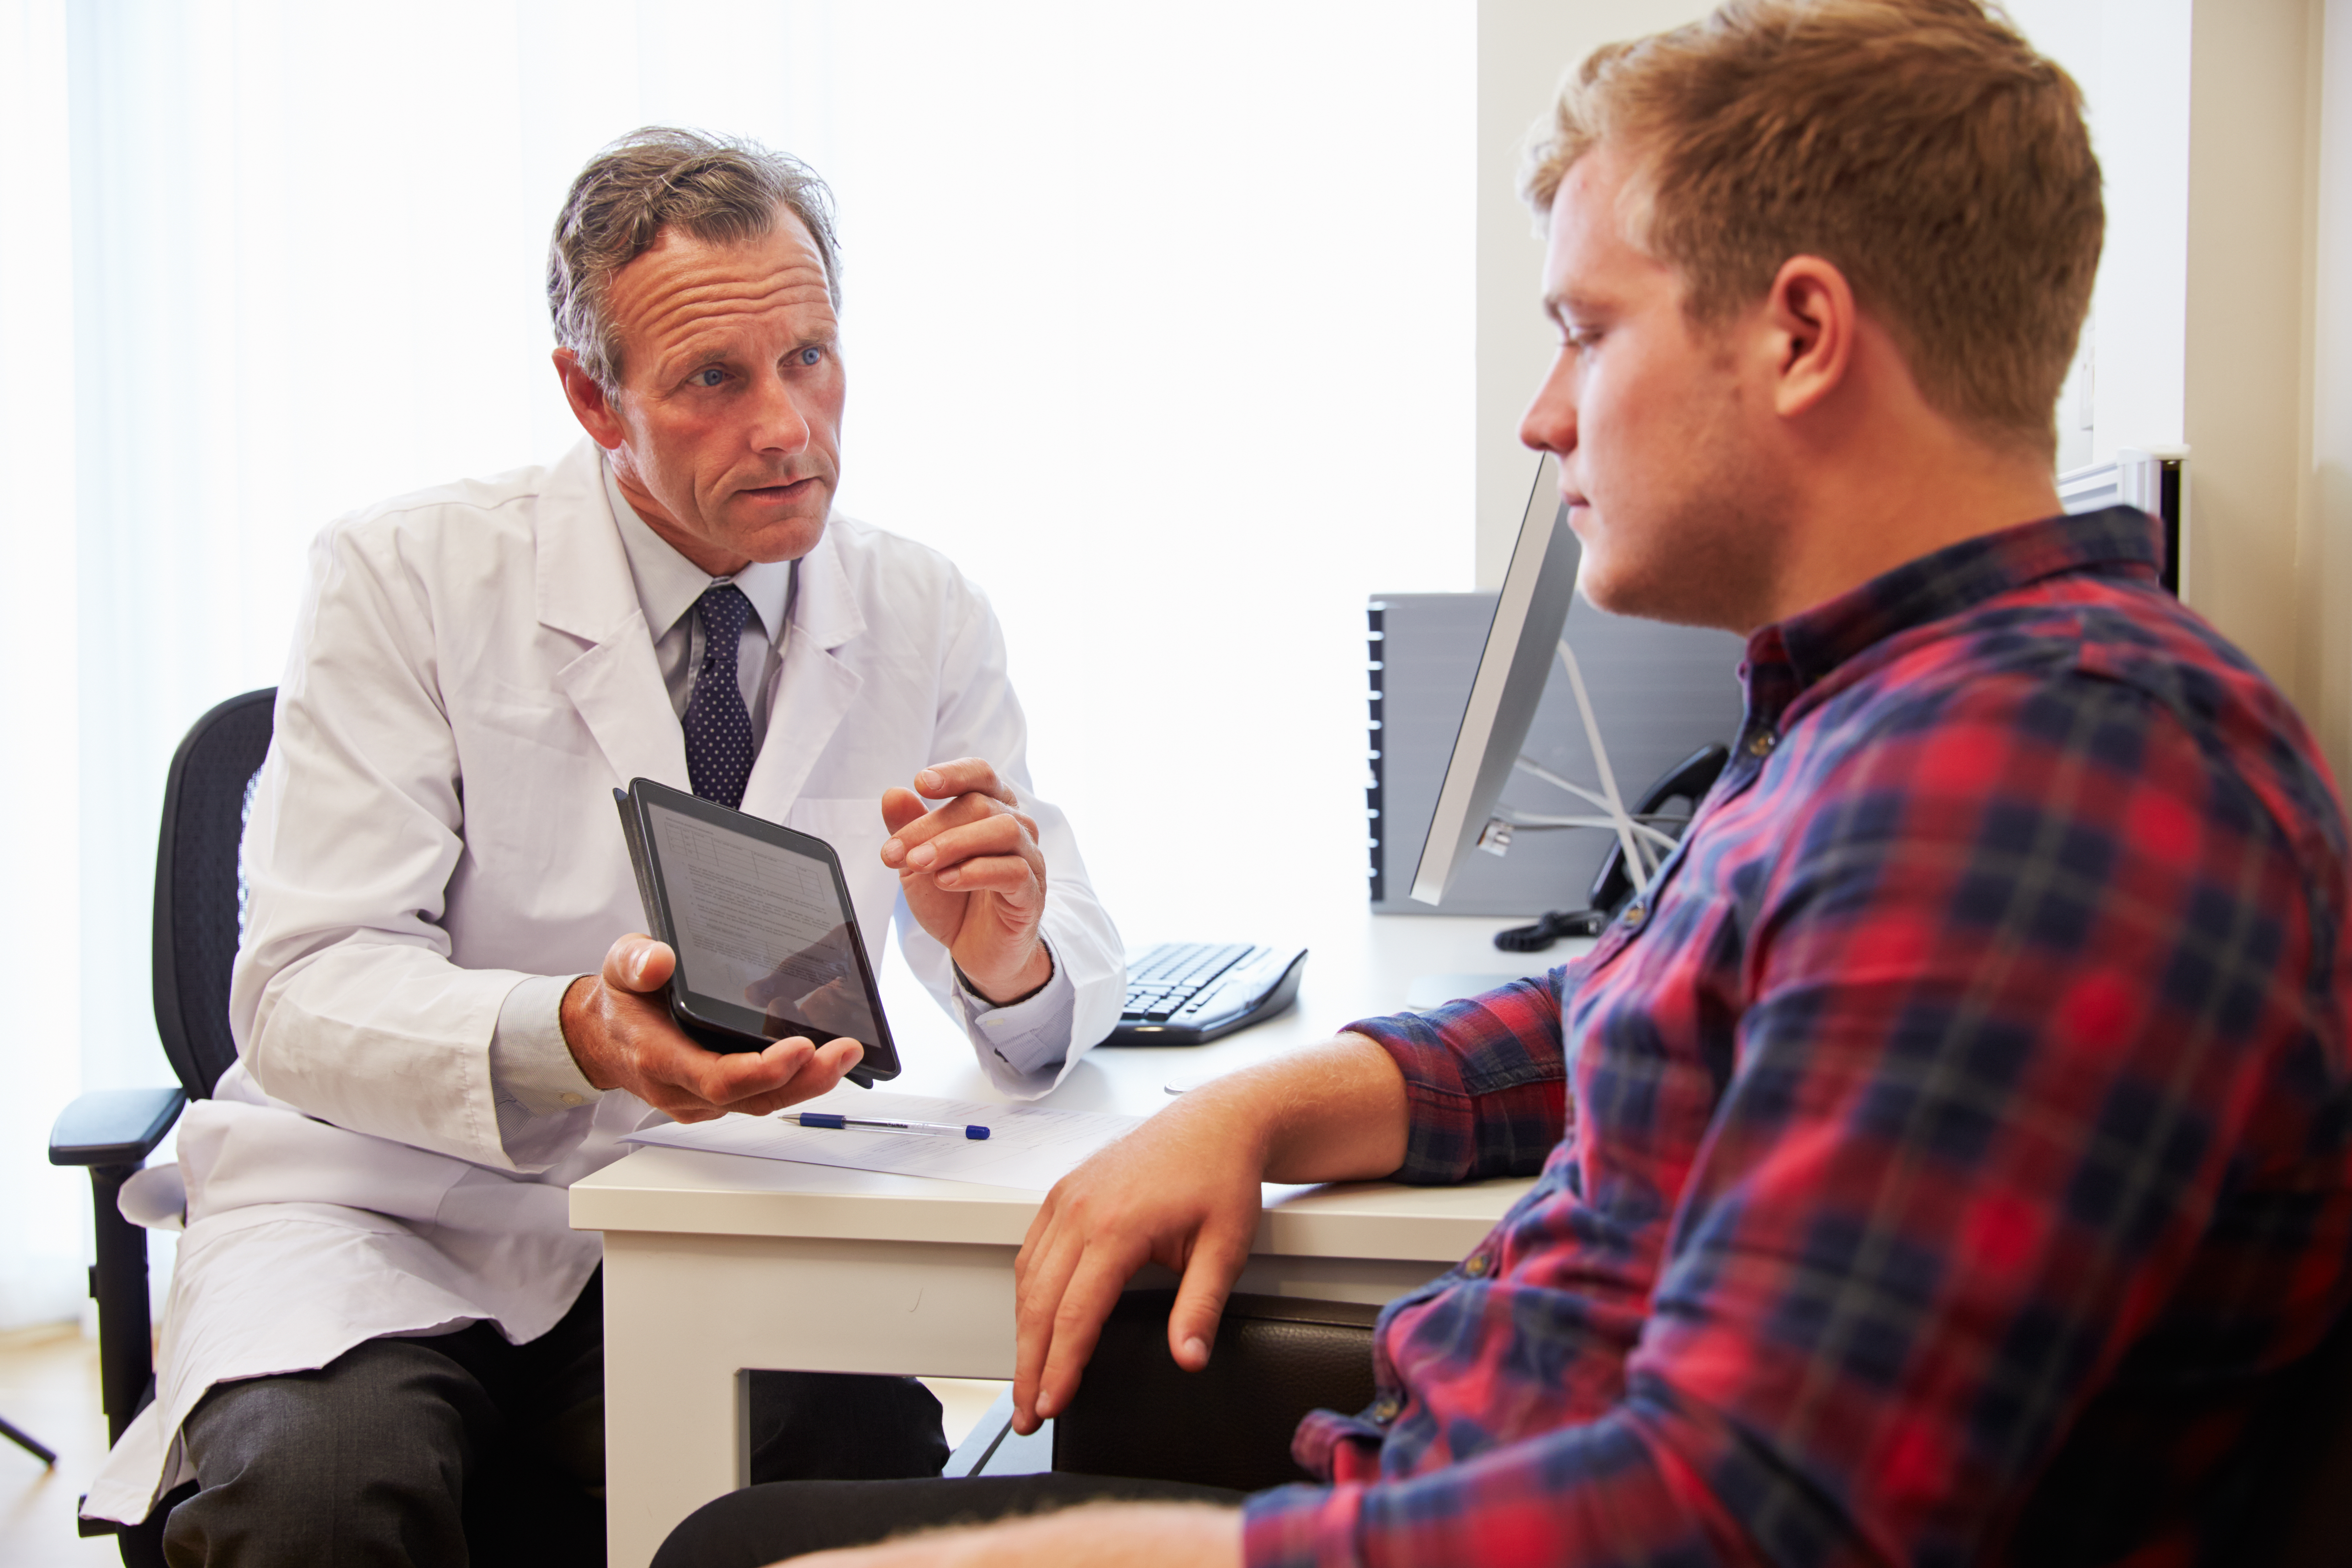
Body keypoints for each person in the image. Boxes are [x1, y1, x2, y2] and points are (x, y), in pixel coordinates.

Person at [655, 2, 2352, 1564]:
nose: (1542, 419)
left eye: (1582, 332)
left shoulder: (2021, 786)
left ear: (1801, 335)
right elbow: (1594, 1017)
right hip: (1445, 1467)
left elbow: (1733, 1527)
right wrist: (1244, 1109)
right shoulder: (1885, 716)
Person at [77, 128, 1125, 1563]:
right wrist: (574, 1031)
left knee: (852, 1479)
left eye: (809, 357)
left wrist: (1006, 959)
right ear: (591, 395)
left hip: (714, 1209)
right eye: (715, 379)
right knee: (322, 1498)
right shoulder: (405, 577)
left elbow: (1056, 975)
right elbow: (304, 988)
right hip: (383, 1213)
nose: (789, 429)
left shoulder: (921, 608)